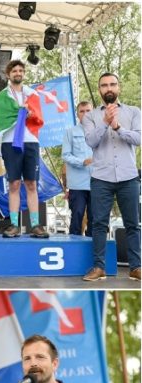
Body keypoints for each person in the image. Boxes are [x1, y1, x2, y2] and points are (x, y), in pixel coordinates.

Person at [82, 72, 141, 282]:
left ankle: (136, 267)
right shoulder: (90, 116)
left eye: (112, 84)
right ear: (99, 90)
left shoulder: (134, 112)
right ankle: (99, 267)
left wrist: (118, 127)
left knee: (133, 224)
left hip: (128, 177)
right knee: (98, 223)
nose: (109, 88)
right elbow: (90, 141)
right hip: (101, 178)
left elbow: (139, 138)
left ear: (119, 88)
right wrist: (105, 123)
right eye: (104, 85)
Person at [0, 60, 48, 238]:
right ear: (8, 75)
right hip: (10, 143)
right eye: (14, 71)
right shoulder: (2, 97)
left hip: (30, 141)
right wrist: (18, 112)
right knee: (14, 184)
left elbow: (39, 118)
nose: (17, 73)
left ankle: (35, 225)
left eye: (20, 70)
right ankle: (14, 224)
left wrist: (31, 114)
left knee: (32, 183)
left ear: (24, 74)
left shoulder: (32, 94)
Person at [62, 101, 95, 236]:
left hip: (97, 182)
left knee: (95, 218)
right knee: (77, 215)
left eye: (88, 110)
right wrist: (82, 162)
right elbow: (65, 155)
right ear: (77, 114)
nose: (85, 114)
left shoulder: (101, 131)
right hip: (77, 184)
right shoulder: (70, 132)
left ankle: (93, 249)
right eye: (82, 111)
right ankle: (74, 249)